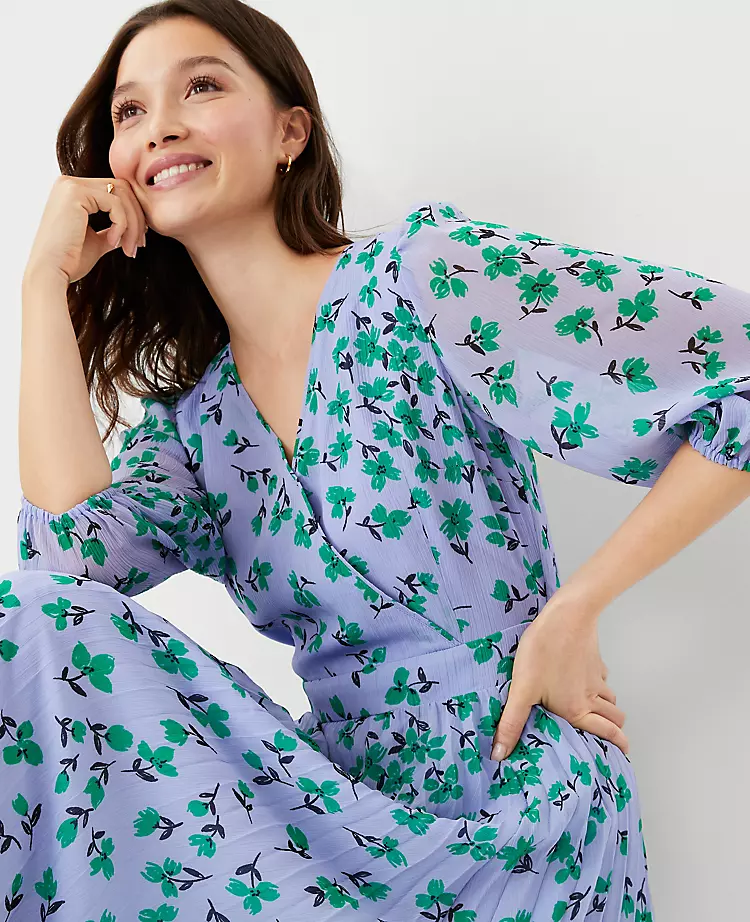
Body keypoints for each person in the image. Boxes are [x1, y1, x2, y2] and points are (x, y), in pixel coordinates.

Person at [5, 1, 750, 919]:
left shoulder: (420, 278)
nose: (160, 125)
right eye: (130, 111)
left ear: (290, 133)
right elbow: (59, 582)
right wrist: (42, 286)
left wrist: (576, 608)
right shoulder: (195, 429)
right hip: (333, 827)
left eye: (201, 86)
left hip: (520, 798)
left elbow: (740, 378)